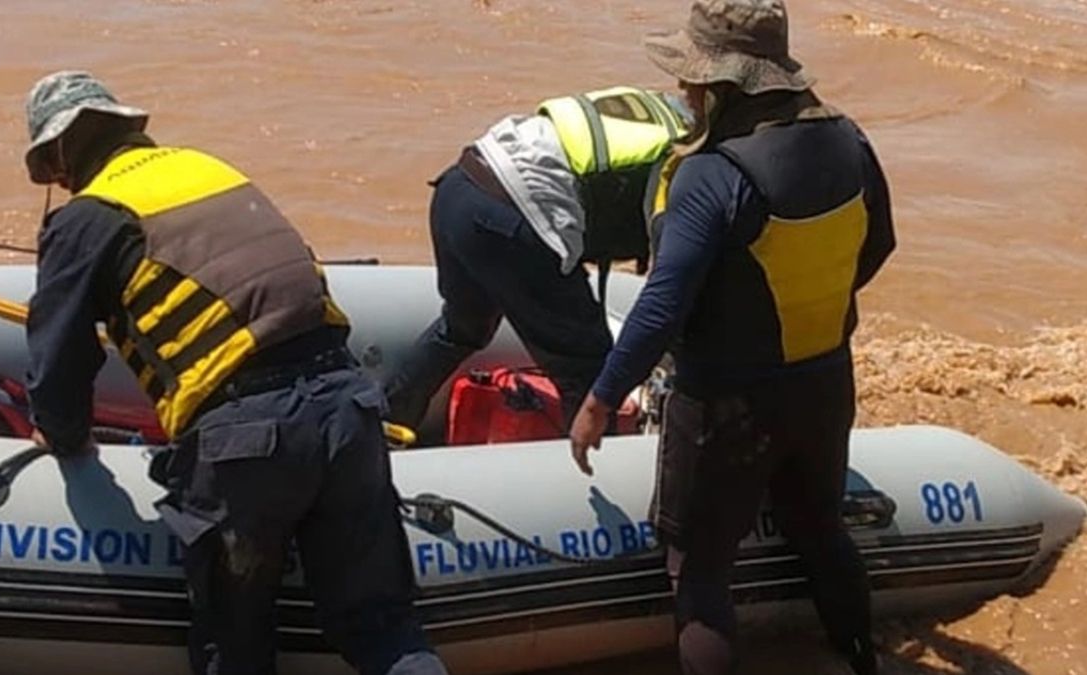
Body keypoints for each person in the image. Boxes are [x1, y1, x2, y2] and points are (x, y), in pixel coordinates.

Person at [21, 71, 447, 675]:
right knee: (384, 628)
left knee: (234, 645)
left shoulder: (87, 217)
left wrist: (62, 435)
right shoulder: (208, 168)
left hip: (245, 439)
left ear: (60, 153)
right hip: (348, 405)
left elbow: (58, 355)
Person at [568, 1, 896, 673]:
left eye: (691, 79)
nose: (683, 92)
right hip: (826, 382)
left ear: (720, 84)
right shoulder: (849, 140)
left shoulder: (712, 173)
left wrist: (601, 398)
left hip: (726, 404)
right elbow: (879, 244)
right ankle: (863, 659)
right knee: (821, 529)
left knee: (701, 571)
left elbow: (662, 304)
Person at [384, 86, 691, 433]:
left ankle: (387, 420)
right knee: (587, 369)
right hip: (511, 216)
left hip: (459, 187)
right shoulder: (684, 157)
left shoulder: (655, 111)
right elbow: (671, 275)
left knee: (462, 329)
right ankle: (596, 477)